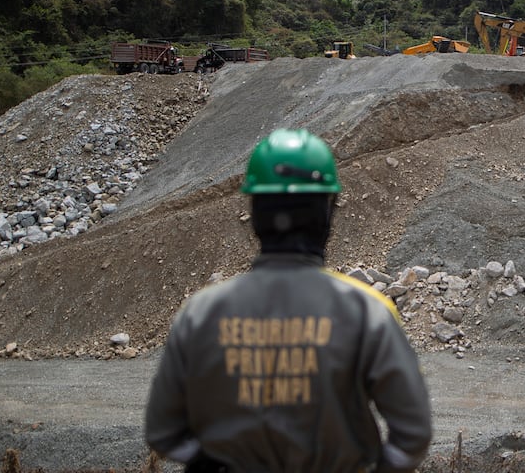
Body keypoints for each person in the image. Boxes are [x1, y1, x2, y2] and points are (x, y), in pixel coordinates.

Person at [144, 128, 433, 472]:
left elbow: (162, 432)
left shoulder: (200, 314)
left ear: (255, 213)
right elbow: (413, 434)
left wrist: (208, 464)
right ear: (327, 213)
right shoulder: (367, 312)